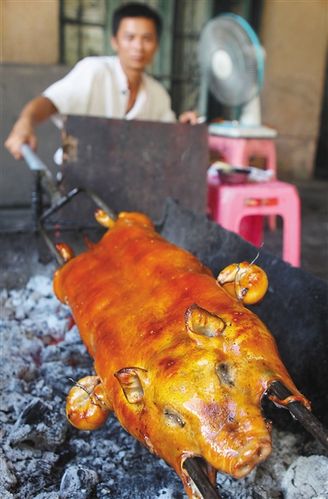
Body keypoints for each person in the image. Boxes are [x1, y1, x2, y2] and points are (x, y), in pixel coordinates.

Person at [5, 2, 198, 160]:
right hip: (79, 181)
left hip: (131, 185)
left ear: (156, 45)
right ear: (115, 41)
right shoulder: (94, 72)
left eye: (147, 39)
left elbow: (168, 134)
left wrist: (184, 127)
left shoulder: (157, 93)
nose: (138, 47)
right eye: (130, 38)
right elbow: (50, 101)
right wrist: (25, 123)